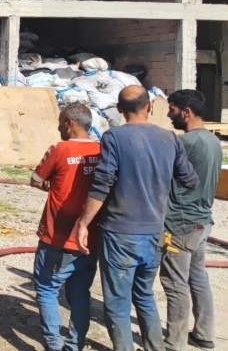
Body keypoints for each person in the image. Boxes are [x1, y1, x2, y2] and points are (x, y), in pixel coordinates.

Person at [73, 86, 198, 351]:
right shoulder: (170, 138)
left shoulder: (114, 137)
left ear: (119, 109)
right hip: (154, 233)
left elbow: (102, 183)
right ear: (150, 107)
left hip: (119, 233)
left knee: (118, 303)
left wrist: (84, 223)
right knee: (144, 296)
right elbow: (189, 180)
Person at [30, 103, 101, 351]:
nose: (59, 126)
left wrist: (54, 186)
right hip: (91, 239)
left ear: (69, 122)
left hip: (58, 237)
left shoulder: (59, 149)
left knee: (47, 289)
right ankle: (75, 345)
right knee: (80, 293)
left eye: (61, 121)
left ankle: (53, 345)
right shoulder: (101, 150)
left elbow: (36, 180)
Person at [160, 90, 220, 351]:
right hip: (201, 222)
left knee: (175, 283)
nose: (168, 114)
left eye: (171, 109)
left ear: (186, 112)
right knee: (198, 278)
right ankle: (204, 334)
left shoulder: (187, 143)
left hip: (180, 224)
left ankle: (174, 343)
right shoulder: (212, 140)